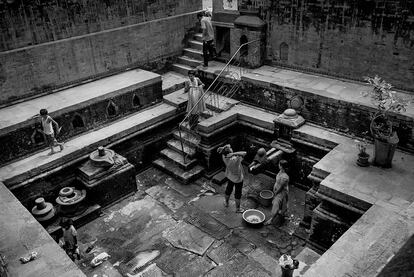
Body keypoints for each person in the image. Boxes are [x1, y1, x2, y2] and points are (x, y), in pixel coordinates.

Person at [217, 144, 247, 213]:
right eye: (231, 148)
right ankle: (238, 208)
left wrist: (223, 148)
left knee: (228, 189)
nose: (231, 148)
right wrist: (233, 153)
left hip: (230, 176)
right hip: (238, 179)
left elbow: (225, 151)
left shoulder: (224, 156)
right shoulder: (236, 158)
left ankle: (226, 202)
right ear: (230, 152)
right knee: (238, 193)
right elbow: (244, 153)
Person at [265, 160, 289, 226]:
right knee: (281, 204)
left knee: (276, 205)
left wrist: (275, 192)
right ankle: (280, 212)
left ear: (281, 166)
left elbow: (281, 187)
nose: (278, 165)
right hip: (278, 190)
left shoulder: (285, 177)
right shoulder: (280, 172)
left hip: (281, 192)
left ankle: (271, 219)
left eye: (279, 164)